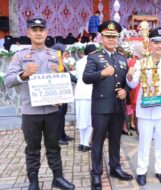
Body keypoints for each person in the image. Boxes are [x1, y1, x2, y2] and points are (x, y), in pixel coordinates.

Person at [4, 18, 75, 190]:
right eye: (34, 29)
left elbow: (63, 78)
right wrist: (24, 74)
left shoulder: (54, 55)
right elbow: (8, 81)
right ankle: (33, 182)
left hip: (52, 111)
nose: (38, 33)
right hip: (31, 112)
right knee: (32, 149)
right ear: (28, 33)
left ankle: (57, 178)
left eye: (41, 29)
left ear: (46, 33)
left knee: (54, 146)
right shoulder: (20, 56)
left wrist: (61, 95)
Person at [126, 27, 161, 186]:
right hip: (145, 110)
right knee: (143, 142)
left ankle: (160, 170)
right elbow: (133, 83)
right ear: (149, 44)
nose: (159, 46)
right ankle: (141, 171)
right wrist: (129, 75)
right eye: (155, 42)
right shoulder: (141, 63)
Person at [83, 20, 133, 190]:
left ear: (118, 38)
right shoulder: (94, 56)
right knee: (97, 141)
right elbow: (86, 78)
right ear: (101, 37)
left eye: (114, 37)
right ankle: (96, 174)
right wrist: (102, 73)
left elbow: (127, 81)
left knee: (115, 140)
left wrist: (126, 91)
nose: (111, 39)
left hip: (118, 107)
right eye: (108, 36)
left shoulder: (121, 58)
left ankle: (115, 168)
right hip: (101, 107)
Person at [51, 43, 76, 146]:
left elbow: (67, 75)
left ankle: (63, 134)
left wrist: (77, 80)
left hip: (63, 94)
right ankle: (58, 137)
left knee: (62, 115)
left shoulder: (61, 62)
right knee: (58, 117)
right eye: (64, 51)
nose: (66, 53)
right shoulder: (54, 63)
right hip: (57, 95)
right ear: (59, 52)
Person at [75, 44, 97, 152]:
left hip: (79, 93)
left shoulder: (78, 62)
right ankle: (85, 143)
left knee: (81, 119)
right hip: (89, 93)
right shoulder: (93, 61)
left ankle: (81, 142)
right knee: (89, 119)